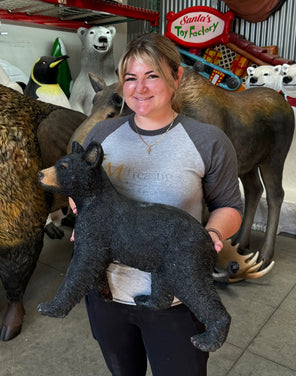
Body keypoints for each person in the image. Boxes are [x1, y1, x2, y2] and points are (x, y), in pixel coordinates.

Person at [72, 32, 243, 376]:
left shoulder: (208, 140)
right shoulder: (101, 136)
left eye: (152, 75)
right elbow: (81, 190)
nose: (140, 88)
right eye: (130, 78)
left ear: (176, 77)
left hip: (176, 298)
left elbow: (229, 206)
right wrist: (80, 211)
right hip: (109, 295)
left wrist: (212, 231)